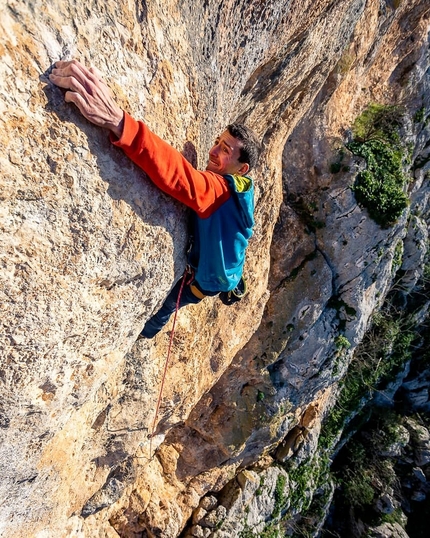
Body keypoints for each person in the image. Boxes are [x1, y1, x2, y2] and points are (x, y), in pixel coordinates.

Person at [49, 60, 261, 338]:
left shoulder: (220, 191)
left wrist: (119, 122)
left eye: (225, 151)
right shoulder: (242, 188)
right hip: (219, 270)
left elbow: (179, 175)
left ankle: (145, 334)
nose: (213, 151)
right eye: (218, 142)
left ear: (241, 168)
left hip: (204, 281)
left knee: (167, 307)